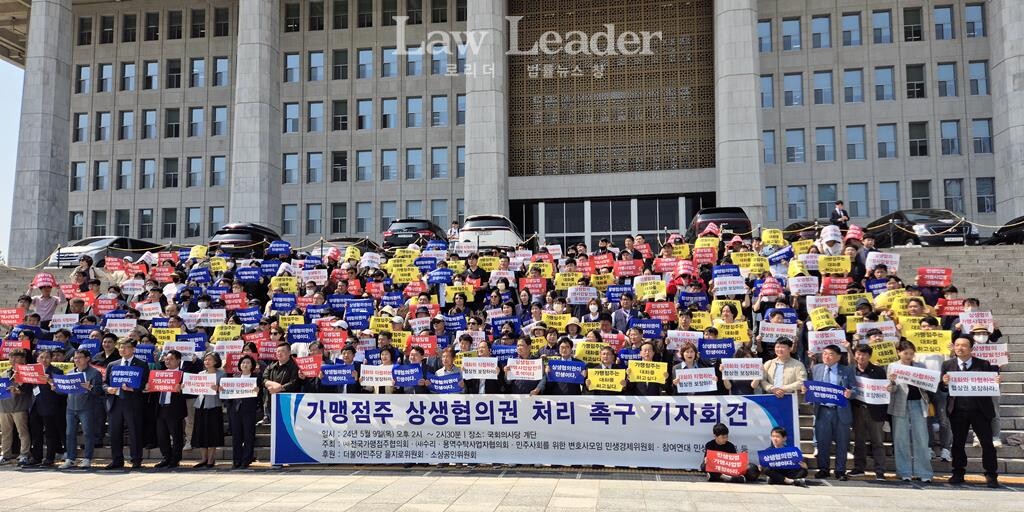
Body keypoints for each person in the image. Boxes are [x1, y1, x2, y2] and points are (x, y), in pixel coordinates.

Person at [941, 336, 1001, 488]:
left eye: (964, 345)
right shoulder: (948, 364)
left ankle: (991, 474)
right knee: (958, 443)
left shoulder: (983, 364)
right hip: (958, 410)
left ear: (971, 349)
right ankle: (958, 472)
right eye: (957, 345)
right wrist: (944, 383)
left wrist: (996, 382)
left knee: (987, 443)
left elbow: (990, 384)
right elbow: (941, 389)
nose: (960, 348)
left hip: (980, 410)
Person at [887, 340, 933, 483]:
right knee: (901, 439)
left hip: (918, 403)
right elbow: (891, 390)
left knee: (921, 438)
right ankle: (904, 471)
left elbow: (928, 386)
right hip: (900, 404)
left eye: (911, 354)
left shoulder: (920, 366)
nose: (908, 356)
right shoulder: (893, 366)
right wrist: (892, 383)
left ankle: (924, 472)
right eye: (905, 353)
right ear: (899, 352)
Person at [807, 344, 855, 480]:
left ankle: (840, 470)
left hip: (841, 411)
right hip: (822, 410)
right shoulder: (816, 368)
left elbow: (855, 390)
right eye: (824, 354)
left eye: (830, 354)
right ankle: (823, 468)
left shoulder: (846, 370)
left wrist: (850, 393)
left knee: (842, 442)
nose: (826, 357)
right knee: (822, 442)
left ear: (839, 357)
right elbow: (812, 387)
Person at [102, 339, 150, 470]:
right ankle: (117, 460)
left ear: (133, 349)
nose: (122, 350)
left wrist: (134, 388)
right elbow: (105, 383)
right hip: (115, 402)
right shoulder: (113, 364)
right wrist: (108, 389)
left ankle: (136, 460)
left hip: (133, 402)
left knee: (134, 432)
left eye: (126, 347)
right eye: (120, 347)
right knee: (115, 432)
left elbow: (145, 383)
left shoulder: (141, 364)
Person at [848, 345, 887, 480]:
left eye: (864, 354)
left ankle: (880, 471)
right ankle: (859, 468)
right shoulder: (850, 371)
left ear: (869, 356)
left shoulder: (878, 371)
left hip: (875, 411)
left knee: (877, 442)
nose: (861, 357)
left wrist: (889, 387)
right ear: (855, 355)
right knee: (859, 440)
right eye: (858, 354)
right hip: (857, 409)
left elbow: (884, 390)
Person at [60, 349, 104, 469]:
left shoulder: (94, 373)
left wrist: (90, 387)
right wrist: (57, 387)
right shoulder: (70, 372)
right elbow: (65, 391)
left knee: (88, 433)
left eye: (80, 357)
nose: (77, 360)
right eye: (75, 358)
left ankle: (87, 458)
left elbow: (100, 392)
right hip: (70, 407)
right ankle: (70, 458)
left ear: (87, 359)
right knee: (69, 434)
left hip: (87, 407)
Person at [28, 349, 66, 466]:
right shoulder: (32, 370)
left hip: (50, 405)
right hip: (34, 405)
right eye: (41, 357)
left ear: (51, 359)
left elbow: (61, 389)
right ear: (37, 359)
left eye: (47, 357)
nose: (44, 360)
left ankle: (50, 457)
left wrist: (50, 381)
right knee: (36, 433)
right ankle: (36, 457)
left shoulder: (56, 371)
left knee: (50, 433)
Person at [226, 355, 262, 469]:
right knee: (236, 436)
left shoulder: (256, 378)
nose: (245, 365)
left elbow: (260, 396)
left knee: (248, 435)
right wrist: (223, 390)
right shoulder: (234, 377)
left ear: (252, 366)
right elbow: (228, 394)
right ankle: (236, 460)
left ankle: (246, 459)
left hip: (249, 410)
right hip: (235, 410)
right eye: (243, 363)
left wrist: (258, 391)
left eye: (247, 363)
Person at [152, 350, 187, 469]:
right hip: (161, 408)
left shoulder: (183, 375)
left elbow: (190, 392)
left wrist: (181, 389)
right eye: (166, 359)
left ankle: (175, 459)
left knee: (176, 435)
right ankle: (166, 457)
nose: (168, 361)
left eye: (171, 359)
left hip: (175, 409)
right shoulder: (160, 374)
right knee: (162, 435)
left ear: (178, 360)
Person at [192, 352, 226, 469]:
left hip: (213, 406)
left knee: (212, 433)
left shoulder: (221, 374)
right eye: (206, 359)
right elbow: (194, 388)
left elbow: (224, 391)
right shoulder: (200, 374)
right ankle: (203, 458)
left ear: (216, 361)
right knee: (201, 432)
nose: (207, 362)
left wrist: (218, 389)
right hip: (200, 404)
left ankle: (211, 459)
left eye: (210, 359)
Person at [0, 349, 33, 465]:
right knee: (5, 432)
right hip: (4, 407)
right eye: (11, 357)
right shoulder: (5, 373)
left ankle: (24, 454)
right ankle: (6, 454)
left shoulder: (28, 373)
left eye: (16, 357)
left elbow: (29, 390)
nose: (13, 360)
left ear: (23, 359)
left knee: (22, 432)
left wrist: (18, 388)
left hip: (20, 407)